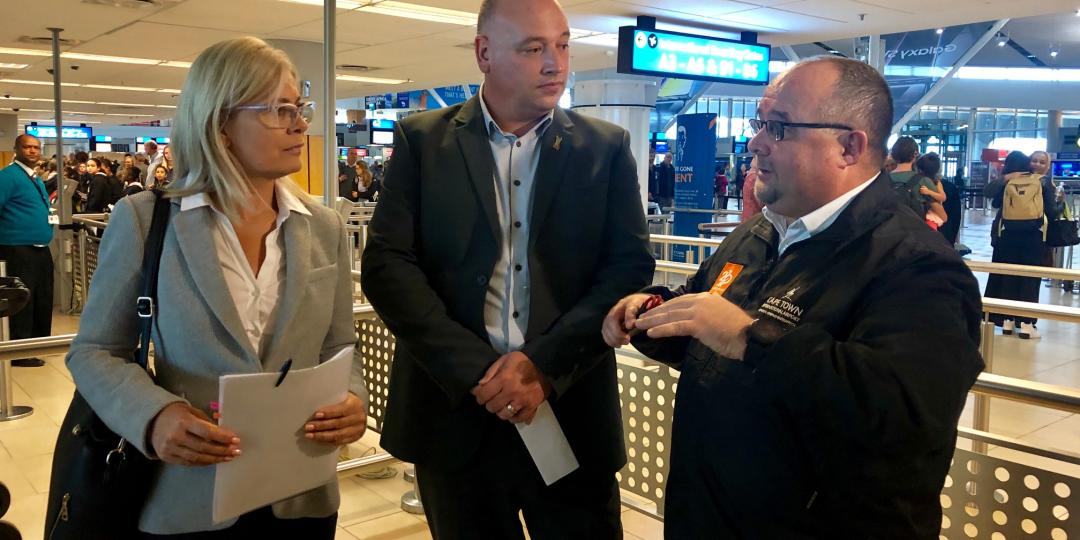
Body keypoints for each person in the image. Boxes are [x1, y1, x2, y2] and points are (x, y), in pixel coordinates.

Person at [602, 56, 983, 538]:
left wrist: (748, 337)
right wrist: (655, 314)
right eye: (760, 124)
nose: (755, 143)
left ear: (849, 146)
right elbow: (709, 321)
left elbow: (900, 418)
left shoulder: (918, 268)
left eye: (778, 128)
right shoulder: (758, 234)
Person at [361, 0, 654, 537]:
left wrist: (540, 366)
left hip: (566, 406)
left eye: (563, 45)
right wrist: (479, 372)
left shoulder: (603, 148)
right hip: (455, 412)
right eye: (533, 48)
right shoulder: (423, 142)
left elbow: (627, 266)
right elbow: (388, 265)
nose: (555, 64)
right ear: (484, 53)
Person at [65, 36, 367, 538]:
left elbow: (339, 345)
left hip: (300, 492)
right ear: (220, 124)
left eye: (300, 107)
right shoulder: (148, 220)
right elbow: (96, 350)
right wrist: (154, 415)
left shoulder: (323, 226)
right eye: (279, 109)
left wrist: (351, 398)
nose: (300, 123)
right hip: (189, 492)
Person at [984, 150, 1062, 339]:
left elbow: (991, 197)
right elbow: (1052, 213)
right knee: (1030, 277)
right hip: (1033, 237)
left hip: (1008, 234)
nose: (1037, 164)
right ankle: (1027, 324)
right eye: (1035, 161)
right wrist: (1060, 201)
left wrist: (1006, 177)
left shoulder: (1012, 180)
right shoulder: (1044, 183)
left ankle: (1008, 322)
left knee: (1010, 276)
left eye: (1040, 161)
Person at [0, 134, 54, 367]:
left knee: (42, 298)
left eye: (36, 147)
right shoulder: (8, 177)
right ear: (16, 149)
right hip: (17, 248)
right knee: (22, 301)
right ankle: (19, 351)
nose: (32, 151)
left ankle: (37, 344)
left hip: (40, 249)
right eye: (27, 147)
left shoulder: (34, 178)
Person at [916, 152, 947, 230]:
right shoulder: (925, 180)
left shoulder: (937, 182)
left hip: (933, 214)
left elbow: (943, 197)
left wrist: (929, 192)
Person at [740, 156, 763, 221]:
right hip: (754, 221)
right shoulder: (755, 176)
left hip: (750, 219)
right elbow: (761, 202)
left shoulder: (752, 174)